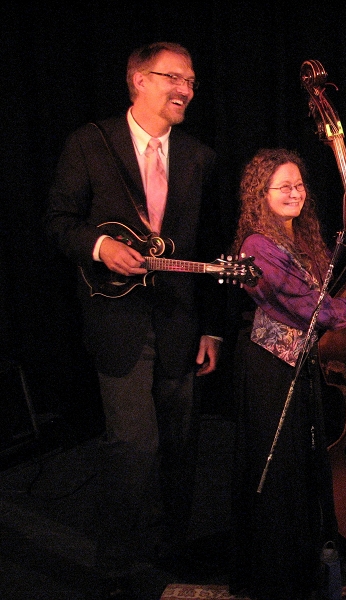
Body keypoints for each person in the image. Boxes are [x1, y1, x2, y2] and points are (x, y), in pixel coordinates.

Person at [44, 42, 227, 597]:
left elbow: (216, 251)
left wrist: (213, 327)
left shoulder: (200, 157)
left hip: (179, 322)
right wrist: (99, 246)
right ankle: (117, 566)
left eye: (192, 81)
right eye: (175, 78)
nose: (187, 90)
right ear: (138, 81)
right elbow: (58, 221)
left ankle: (172, 549)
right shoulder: (90, 144)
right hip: (117, 324)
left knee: (180, 442)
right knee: (134, 444)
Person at [227, 148, 346, 600]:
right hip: (269, 369)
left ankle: (303, 568)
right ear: (261, 194)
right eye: (283, 187)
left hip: (299, 364)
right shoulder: (256, 245)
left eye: (299, 185)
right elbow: (306, 309)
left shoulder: (302, 236)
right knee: (276, 472)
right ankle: (274, 576)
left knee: (299, 469)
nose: (294, 193)